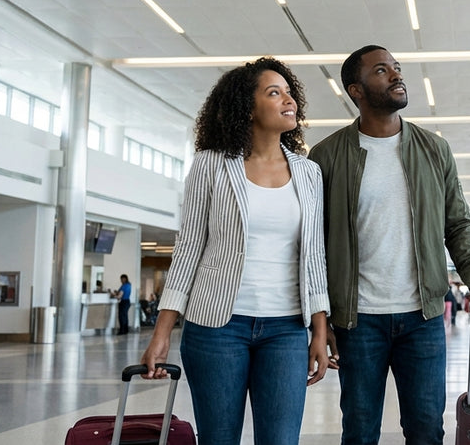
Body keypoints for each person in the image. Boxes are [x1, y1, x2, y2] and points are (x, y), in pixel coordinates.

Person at [308, 44, 470, 445]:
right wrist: (321, 318)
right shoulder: (325, 156)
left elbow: (457, 222)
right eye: (381, 70)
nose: (395, 75)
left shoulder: (434, 149)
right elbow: (314, 246)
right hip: (358, 320)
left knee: (427, 429)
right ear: (355, 90)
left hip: (422, 317)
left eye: (396, 67)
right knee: (359, 430)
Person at [140, 57, 331, 445]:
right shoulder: (211, 165)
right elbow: (190, 247)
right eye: (274, 92)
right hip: (217, 328)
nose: (289, 100)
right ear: (248, 106)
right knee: (218, 438)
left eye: (289, 92)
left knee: (280, 440)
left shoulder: (309, 174)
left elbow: (314, 257)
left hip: (286, 329)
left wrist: (320, 329)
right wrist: (161, 333)